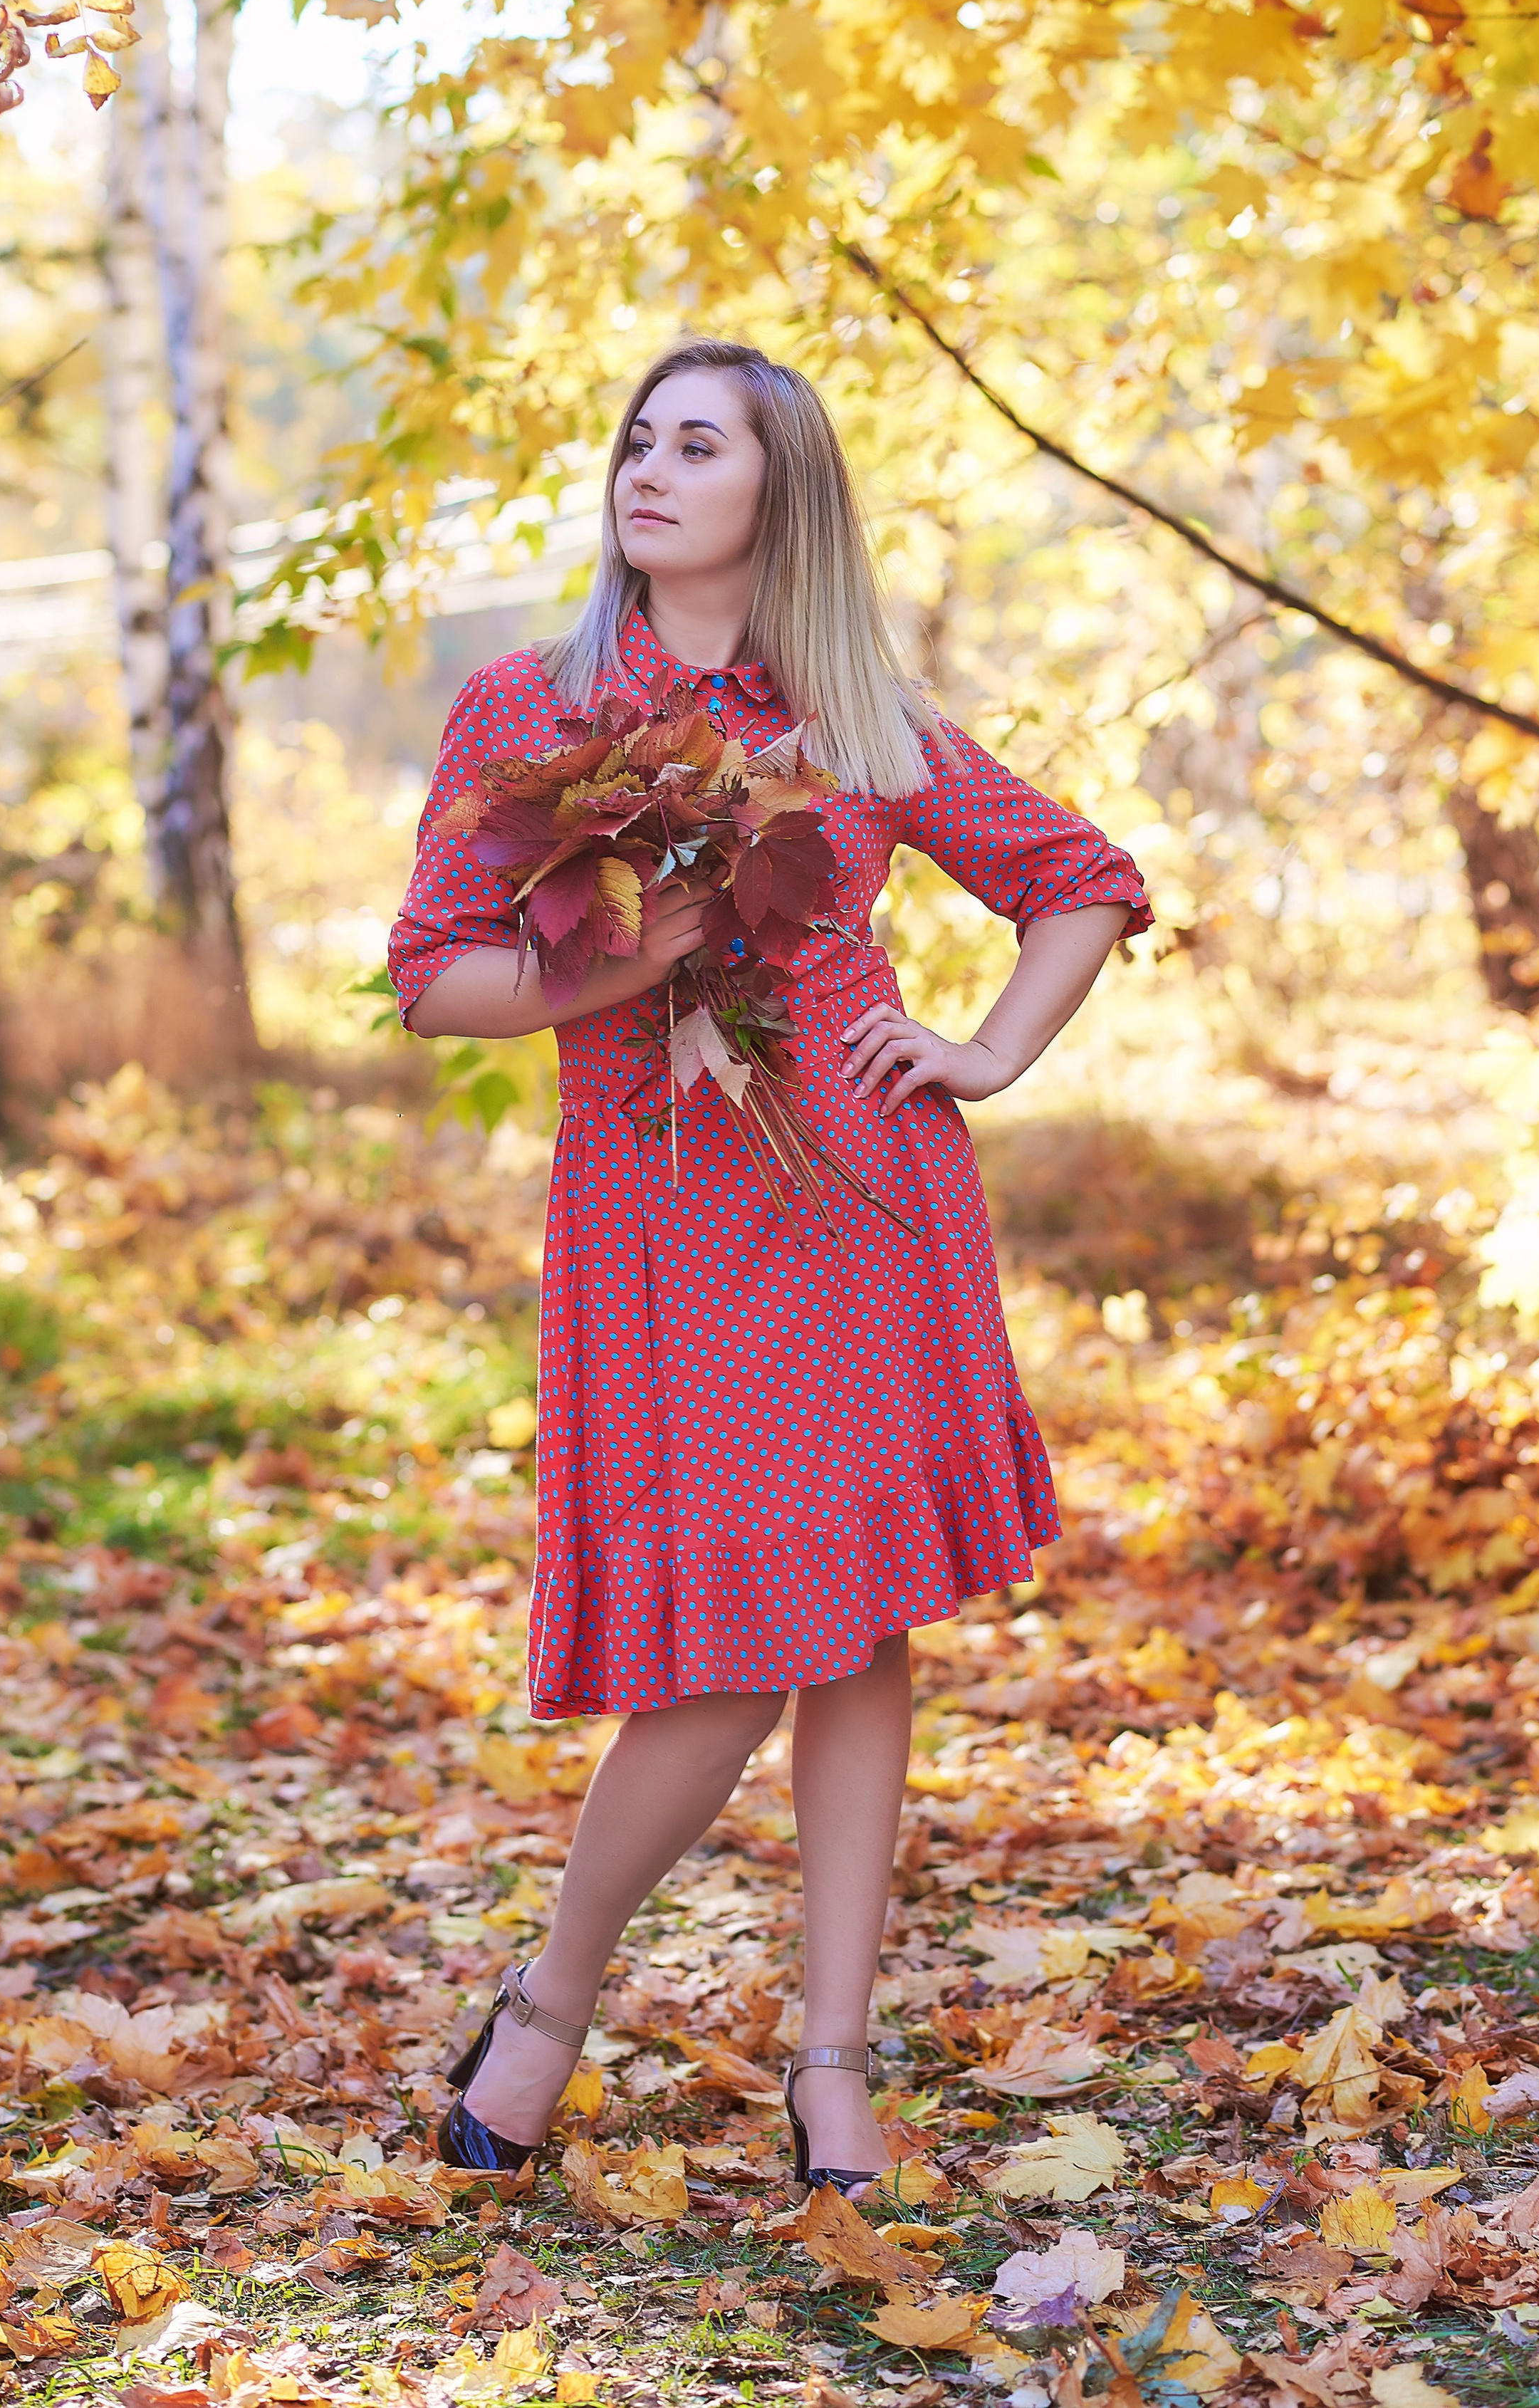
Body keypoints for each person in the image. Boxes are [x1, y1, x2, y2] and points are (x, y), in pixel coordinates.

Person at [389, 336, 1153, 2194]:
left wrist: (986, 1050)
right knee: (735, 1651)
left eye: (697, 443)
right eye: (637, 437)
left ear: (777, 491)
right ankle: (555, 2000)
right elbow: (436, 978)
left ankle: (830, 2064)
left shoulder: (851, 712)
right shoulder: (531, 702)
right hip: (664, 1212)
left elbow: (1084, 876)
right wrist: (645, 956)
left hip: (865, 1200)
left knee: (857, 1619)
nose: (648, 467)